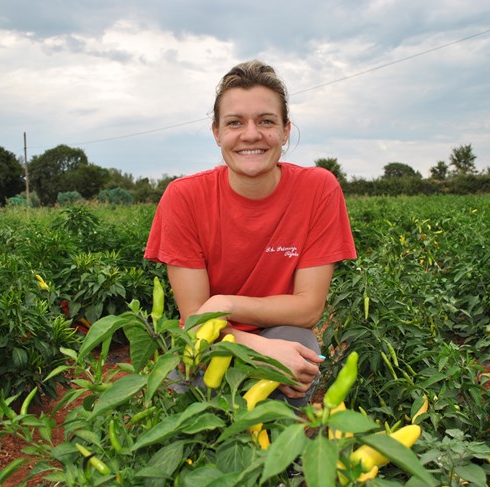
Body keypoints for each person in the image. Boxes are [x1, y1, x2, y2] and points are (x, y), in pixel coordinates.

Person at [144, 60, 357, 406]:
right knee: (191, 404)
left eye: (266, 121)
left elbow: (308, 309)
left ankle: (276, 451)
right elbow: (199, 322)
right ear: (217, 133)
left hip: (279, 331)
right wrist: (257, 349)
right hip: (212, 340)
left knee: (298, 346)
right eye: (235, 123)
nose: (251, 134)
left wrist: (224, 303)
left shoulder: (318, 189)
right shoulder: (184, 197)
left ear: (286, 130)